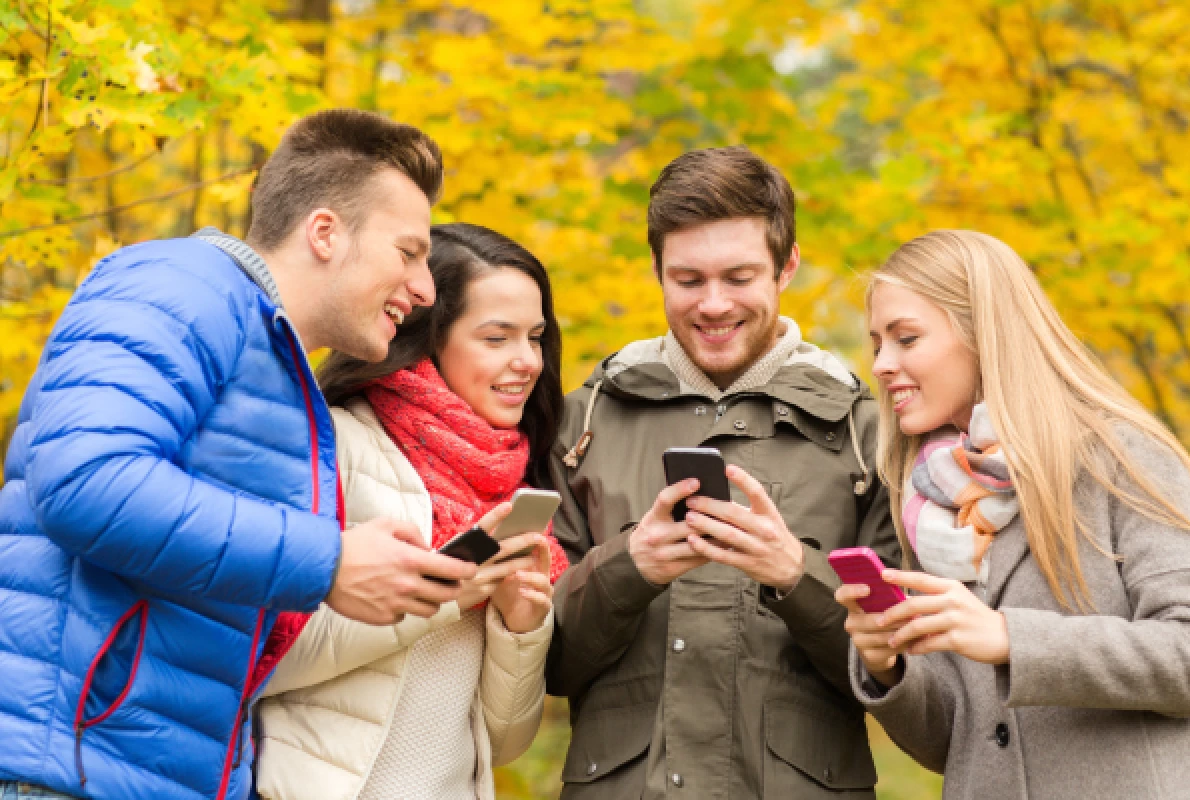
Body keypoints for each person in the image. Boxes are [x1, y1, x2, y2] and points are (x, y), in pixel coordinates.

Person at [0, 110, 481, 800]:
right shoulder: (178, 284)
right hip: (70, 773)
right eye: (408, 252)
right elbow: (86, 480)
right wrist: (331, 559)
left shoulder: (279, 366)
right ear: (325, 233)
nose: (426, 288)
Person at [545, 146, 900, 799]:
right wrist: (632, 567)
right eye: (688, 280)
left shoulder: (867, 433)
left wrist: (796, 572)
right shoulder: (581, 424)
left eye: (739, 278)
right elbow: (544, 662)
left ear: (786, 266)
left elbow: (899, 673)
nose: (712, 305)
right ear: (655, 270)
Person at [837, 229, 1190, 798]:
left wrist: (1012, 638)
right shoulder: (931, 503)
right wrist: (890, 666)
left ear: (984, 333)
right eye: (878, 342)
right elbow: (958, 740)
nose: (882, 364)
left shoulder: (1121, 457)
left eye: (906, 338)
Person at [255, 223, 571, 800]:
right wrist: (445, 593)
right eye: (497, 338)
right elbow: (263, 659)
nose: (527, 361)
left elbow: (502, 743)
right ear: (430, 338)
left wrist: (518, 629)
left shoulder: (510, 485)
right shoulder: (332, 447)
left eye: (536, 337)